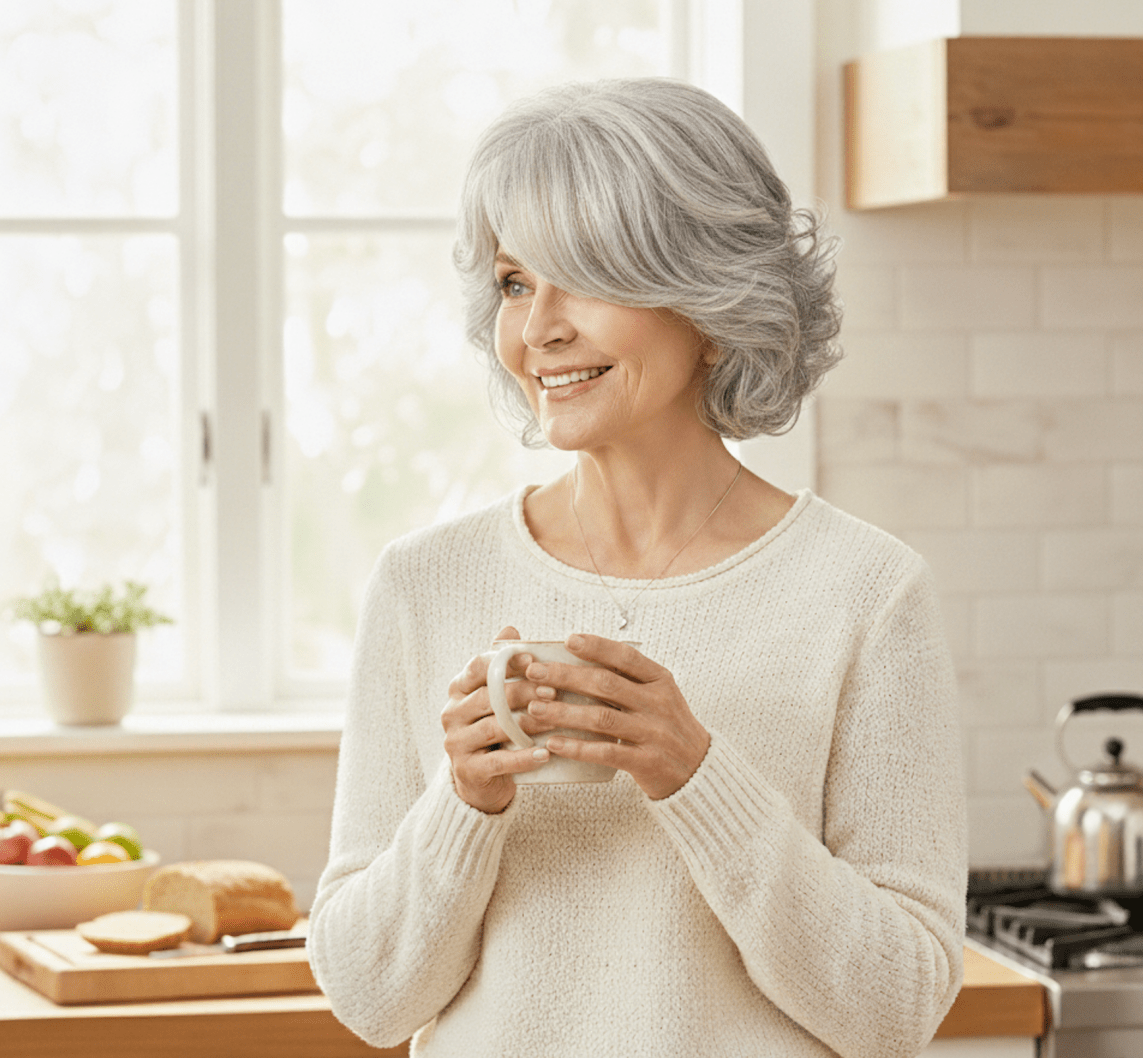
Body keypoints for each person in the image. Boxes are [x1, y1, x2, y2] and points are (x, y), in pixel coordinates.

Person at [308, 78, 967, 1058]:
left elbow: (898, 1006)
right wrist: (466, 802)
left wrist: (697, 776)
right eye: (516, 282)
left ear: (712, 298)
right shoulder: (424, 586)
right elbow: (367, 997)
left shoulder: (864, 595)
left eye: (586, 276)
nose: (538, 332)